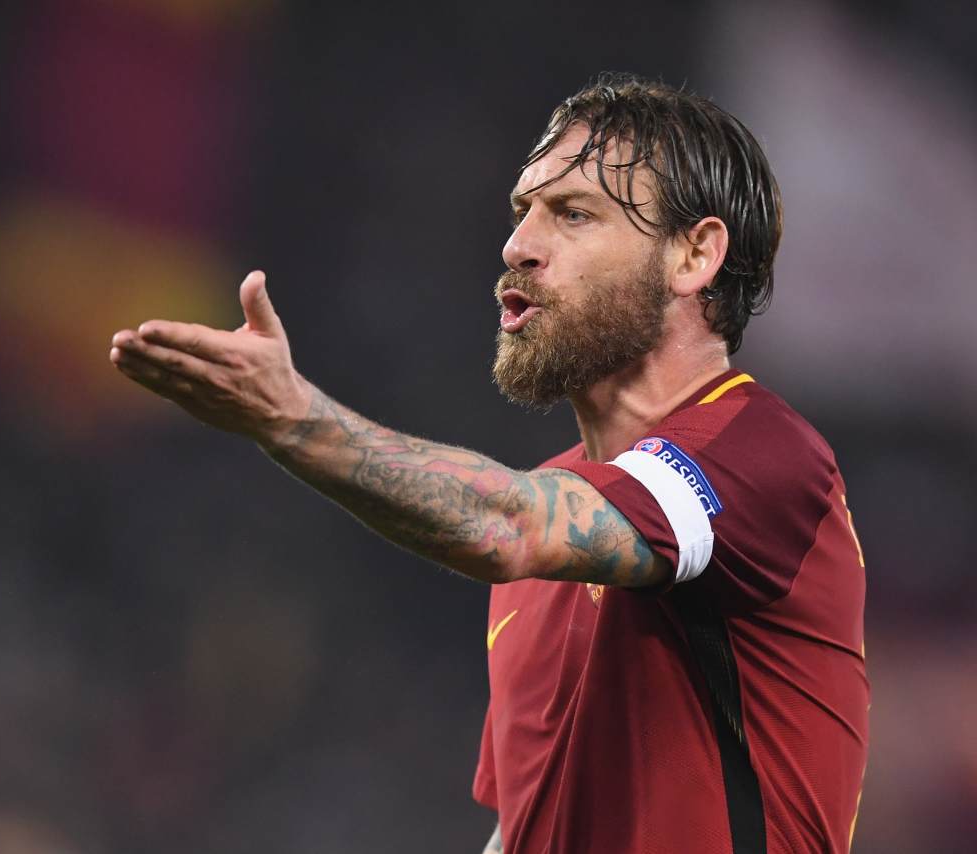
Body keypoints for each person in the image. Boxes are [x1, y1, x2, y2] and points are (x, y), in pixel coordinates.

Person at [108, 74, 869, 853]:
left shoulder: (760, 454)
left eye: (574, 214)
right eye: (522, 212)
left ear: (693, 255)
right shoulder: (541, 551)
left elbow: (509, 526)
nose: (517, 247)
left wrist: (292, 417)